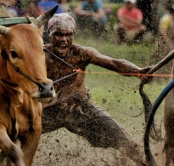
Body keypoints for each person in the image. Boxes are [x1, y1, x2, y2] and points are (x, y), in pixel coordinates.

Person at [42, 13, 151, 157]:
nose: (63, 40)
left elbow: (113, 63)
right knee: (16, 134)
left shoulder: (81, 53)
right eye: (58, 35)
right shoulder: (39, 54)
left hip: (80, 108)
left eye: (68, 35)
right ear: (50, 34)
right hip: (48, 111)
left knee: (125, 143)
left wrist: (138, 71)